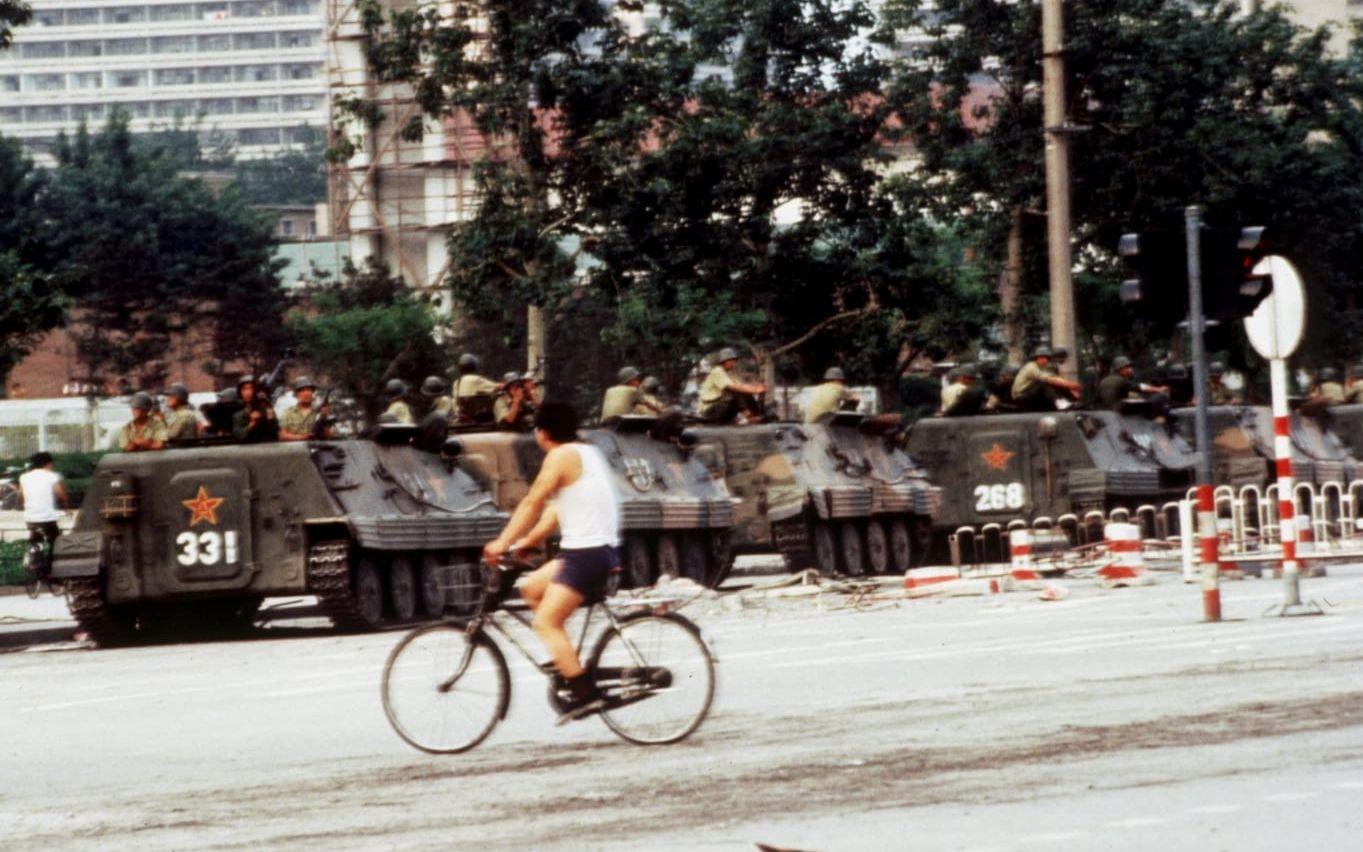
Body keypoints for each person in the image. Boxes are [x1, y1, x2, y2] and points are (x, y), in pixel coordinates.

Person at [481, 401, 620, 724]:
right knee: (531, 588)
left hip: (588, 553)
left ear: (542, 433)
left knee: (545, 623)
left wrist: (502, 542)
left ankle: (586, 694)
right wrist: (525, 543)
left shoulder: (559, 457)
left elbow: (533, 501)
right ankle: (567, 663)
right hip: (588, 550)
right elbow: (556, 511)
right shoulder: (585, 452)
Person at [20, 452, 68, 578]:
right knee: (55, 541)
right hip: (47, 518)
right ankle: (51, 570)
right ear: (48, 464)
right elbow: (60, 495)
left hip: (30, 517)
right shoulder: (51, 476)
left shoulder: (24, 477)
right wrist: (66, 508)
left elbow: (22, 497)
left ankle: (32, 557)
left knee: (35, 537)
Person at [698, 347, 768, 423]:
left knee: (744, 392)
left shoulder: (728, 373)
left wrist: (757, 388)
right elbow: (733, 387)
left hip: (720, 408)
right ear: (726, 361)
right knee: (735, 391)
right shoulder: (717, 371)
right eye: (732, 361)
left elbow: (742, 386)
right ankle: (748, 416)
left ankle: (757, 415)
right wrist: (755, 390)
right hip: (709, 411)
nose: (734, 363)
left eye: (735, 361)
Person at [1011, 347, 1081, 412]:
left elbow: (1055, 378)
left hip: (1032, 395)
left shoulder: (1043, 368)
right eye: (1041, 357)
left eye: (1046, 358)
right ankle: (1059, 402)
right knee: (1043, 383)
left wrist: (1070, 387)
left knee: (1055, 384)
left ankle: (1073, 401)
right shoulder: (1031, 367)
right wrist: (1069, 385)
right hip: (1021, 397)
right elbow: (1049, 379)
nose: (1045, 360)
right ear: (1036, 358)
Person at [1098, 356, 1170, 410]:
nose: (1130, 369)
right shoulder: (1121, 380)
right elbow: (1140, 387)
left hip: (1106, 410)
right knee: (1161, 396)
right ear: (1120, 369)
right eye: (1127, 367)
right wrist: (1159, 389)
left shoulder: (1104, 380)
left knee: (1135, 397)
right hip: (1118, 410)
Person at [454, 353, 501, 423]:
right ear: (474, 366)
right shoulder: (476, 380)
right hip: (478, 418)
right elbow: (496, 387)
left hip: (462, 418)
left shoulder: (457, 383)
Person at [232, 375, 279, 443]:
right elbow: (238, 436)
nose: (248, 392)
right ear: (240, 392)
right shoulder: (238, 416)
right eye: (244, 389)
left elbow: (275, 430)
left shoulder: (266, 409)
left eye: (251, 388)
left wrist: (267, 407)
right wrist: (252, 423)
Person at [279, 376, 322, 441]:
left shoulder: (319, 412)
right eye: (302, 390)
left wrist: (324, 416)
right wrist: (301, 437)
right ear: (296, 394)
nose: (306, 393)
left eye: (309, 390)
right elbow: (282, 435)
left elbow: (330, 435)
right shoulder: (288, 413)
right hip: (295, 449)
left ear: (313, 393)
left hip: (316, 447)